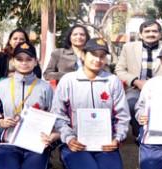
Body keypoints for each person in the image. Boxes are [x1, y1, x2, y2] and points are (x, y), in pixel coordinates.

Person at [52, 38, 130, 169]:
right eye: (93, 55)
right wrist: (69, 138)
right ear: (83, 55)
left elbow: (122, 116)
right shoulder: (68, 81)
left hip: (105, 144)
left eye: (102, 56)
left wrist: (116, 139)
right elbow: (58, 115)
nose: (98, 60)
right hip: (76, 144)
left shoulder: (112, 81)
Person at [0, 41, 59, 169]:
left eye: (29, 59)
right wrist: (0, 121)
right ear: (12, 60)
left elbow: (54, 115)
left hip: (37, 144)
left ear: (35, 61)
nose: (24, 63)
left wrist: (52, 136)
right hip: (8, 143)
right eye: (19, 59)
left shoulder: (45, 88)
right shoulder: (1, 86)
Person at [115, 20, 162, 141]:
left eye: (154, 31)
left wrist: (156, 84)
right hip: (136, 88)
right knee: (131, 104)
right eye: (147, 31)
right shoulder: (128, 48)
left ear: (160, 34)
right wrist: (137, 82)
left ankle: (160, 133)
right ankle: (139, 134)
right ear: (140, 34)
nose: (151, 34)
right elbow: (119, 70)